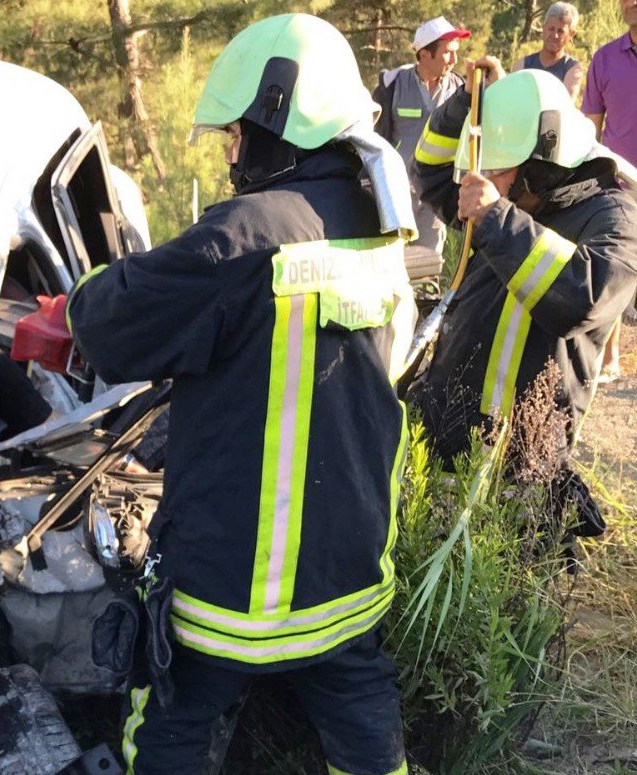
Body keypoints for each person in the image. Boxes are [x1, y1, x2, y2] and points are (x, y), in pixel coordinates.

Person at [68, 14, 417, 775]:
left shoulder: (247, 233)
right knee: (370, 748)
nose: (232, 152)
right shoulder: (381, 229)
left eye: (237, 134)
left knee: (164, 731)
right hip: (347, 586)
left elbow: (111, 323)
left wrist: (82, 292)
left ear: (277, 120)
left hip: (228, 602)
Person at [410, 61, 637, 466]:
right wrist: (469, 102)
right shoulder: (516, 199)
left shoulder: (614, 217)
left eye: (496, 170)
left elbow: (585, 296)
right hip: (446, 436)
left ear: (541, 164)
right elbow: (429, 169)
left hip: (518, 466)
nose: (483, 182)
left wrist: (497, 220)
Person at [374, 16, 469, 273]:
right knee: (390, 262)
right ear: (424, 53)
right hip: (395, 193)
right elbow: (375, 137)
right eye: (448, 53)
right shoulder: (391, 85)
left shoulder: (461, 89)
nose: (454, 60)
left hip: (437, 193)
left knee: (428, 263)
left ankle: (425, 310)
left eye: (455, 53)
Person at [582, 0, 637, 382]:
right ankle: (610, 358)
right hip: (621, 185)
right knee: (616, 270)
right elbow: (591, 129)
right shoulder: (604, 59)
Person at [512, 2, 583, 101]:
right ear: (543, 28)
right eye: (551, 29)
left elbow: (566, 106)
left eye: (561, 31)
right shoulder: (523, 65)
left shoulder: (572, 69)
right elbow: (513, 99)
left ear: (571, 35)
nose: (555, 35)